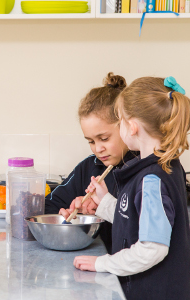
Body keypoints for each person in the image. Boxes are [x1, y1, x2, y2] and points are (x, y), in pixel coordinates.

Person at [74, 76, 190, 299]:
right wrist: (105, 202)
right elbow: (138, 220)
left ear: (132, 127)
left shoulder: (152, 179)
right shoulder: (162, 166)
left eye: (119, 122)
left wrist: (104, 263)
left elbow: (152, 248)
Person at [45, 73, 136, 252]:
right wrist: (69, 215)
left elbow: (138, 223)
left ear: (126, 126)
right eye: (91, 141)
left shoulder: (144, 168)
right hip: (96, 267)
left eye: (104, 138)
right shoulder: (90, 166)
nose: (98, 149)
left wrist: (103, 208)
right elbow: (49, 207)